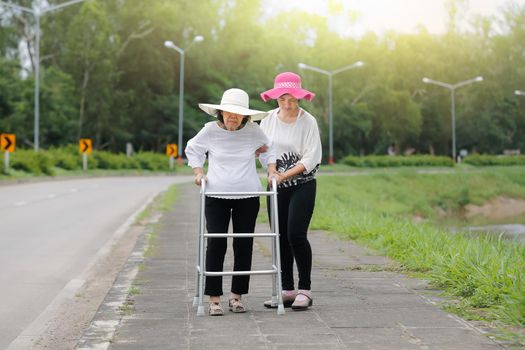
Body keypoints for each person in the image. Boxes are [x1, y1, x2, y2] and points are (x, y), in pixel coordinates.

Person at [185, 88, 276, 316]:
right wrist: (198, 172)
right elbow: (193, 149)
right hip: (216, 194)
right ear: (221, 113)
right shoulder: (210, 131)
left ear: (245, 115)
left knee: (243, 245)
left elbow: (268, 152)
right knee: (216, 243)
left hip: (248, 195)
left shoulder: (254, 131)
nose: (232, 116)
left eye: (237, 113)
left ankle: (237, 297)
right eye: (227, 112)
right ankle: (214, 299)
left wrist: (272, 171)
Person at [259, 72, 322, 311]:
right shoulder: (267, 120)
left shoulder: (308, 121)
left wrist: (284, 174)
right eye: (283, 98)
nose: (288, 103)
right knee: (280, 237)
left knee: (296, 233)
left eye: (292, 99)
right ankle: (287, 290)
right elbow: (265, 149)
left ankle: (305, 289)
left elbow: (312, 156)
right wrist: (272, 170)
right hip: (276, 185)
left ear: (299, 98)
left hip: (303, 184)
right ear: (277, 98)